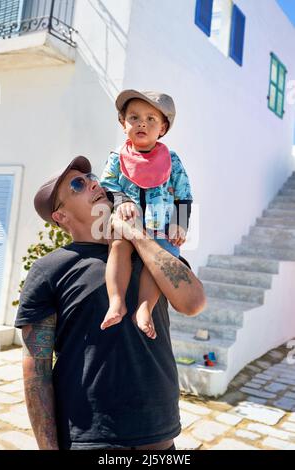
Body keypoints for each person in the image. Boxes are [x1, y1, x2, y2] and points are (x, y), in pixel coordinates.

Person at [15, 156, 206, 451]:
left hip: (158, 435)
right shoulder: (50, 270)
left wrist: (135, 235)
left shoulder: (151, 253)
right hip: (88, 437)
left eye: (90, 176)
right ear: (61, 216)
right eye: (77, 185)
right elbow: (36, 371)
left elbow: (193, 302)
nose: (93, 182)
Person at [100, 90, 193, 340]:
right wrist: (121, 202)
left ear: (162, 128)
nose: (142, 123)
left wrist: (179, 224)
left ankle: (144, 308)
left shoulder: (171, 160)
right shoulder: (116, 158)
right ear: (123, 124)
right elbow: (107, 185)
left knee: (156, 262)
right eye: (134, 117)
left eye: (151, 119)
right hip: (127, 224)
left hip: (159, 226)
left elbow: (183, 194)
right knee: (118, 247)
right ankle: (116, 302)